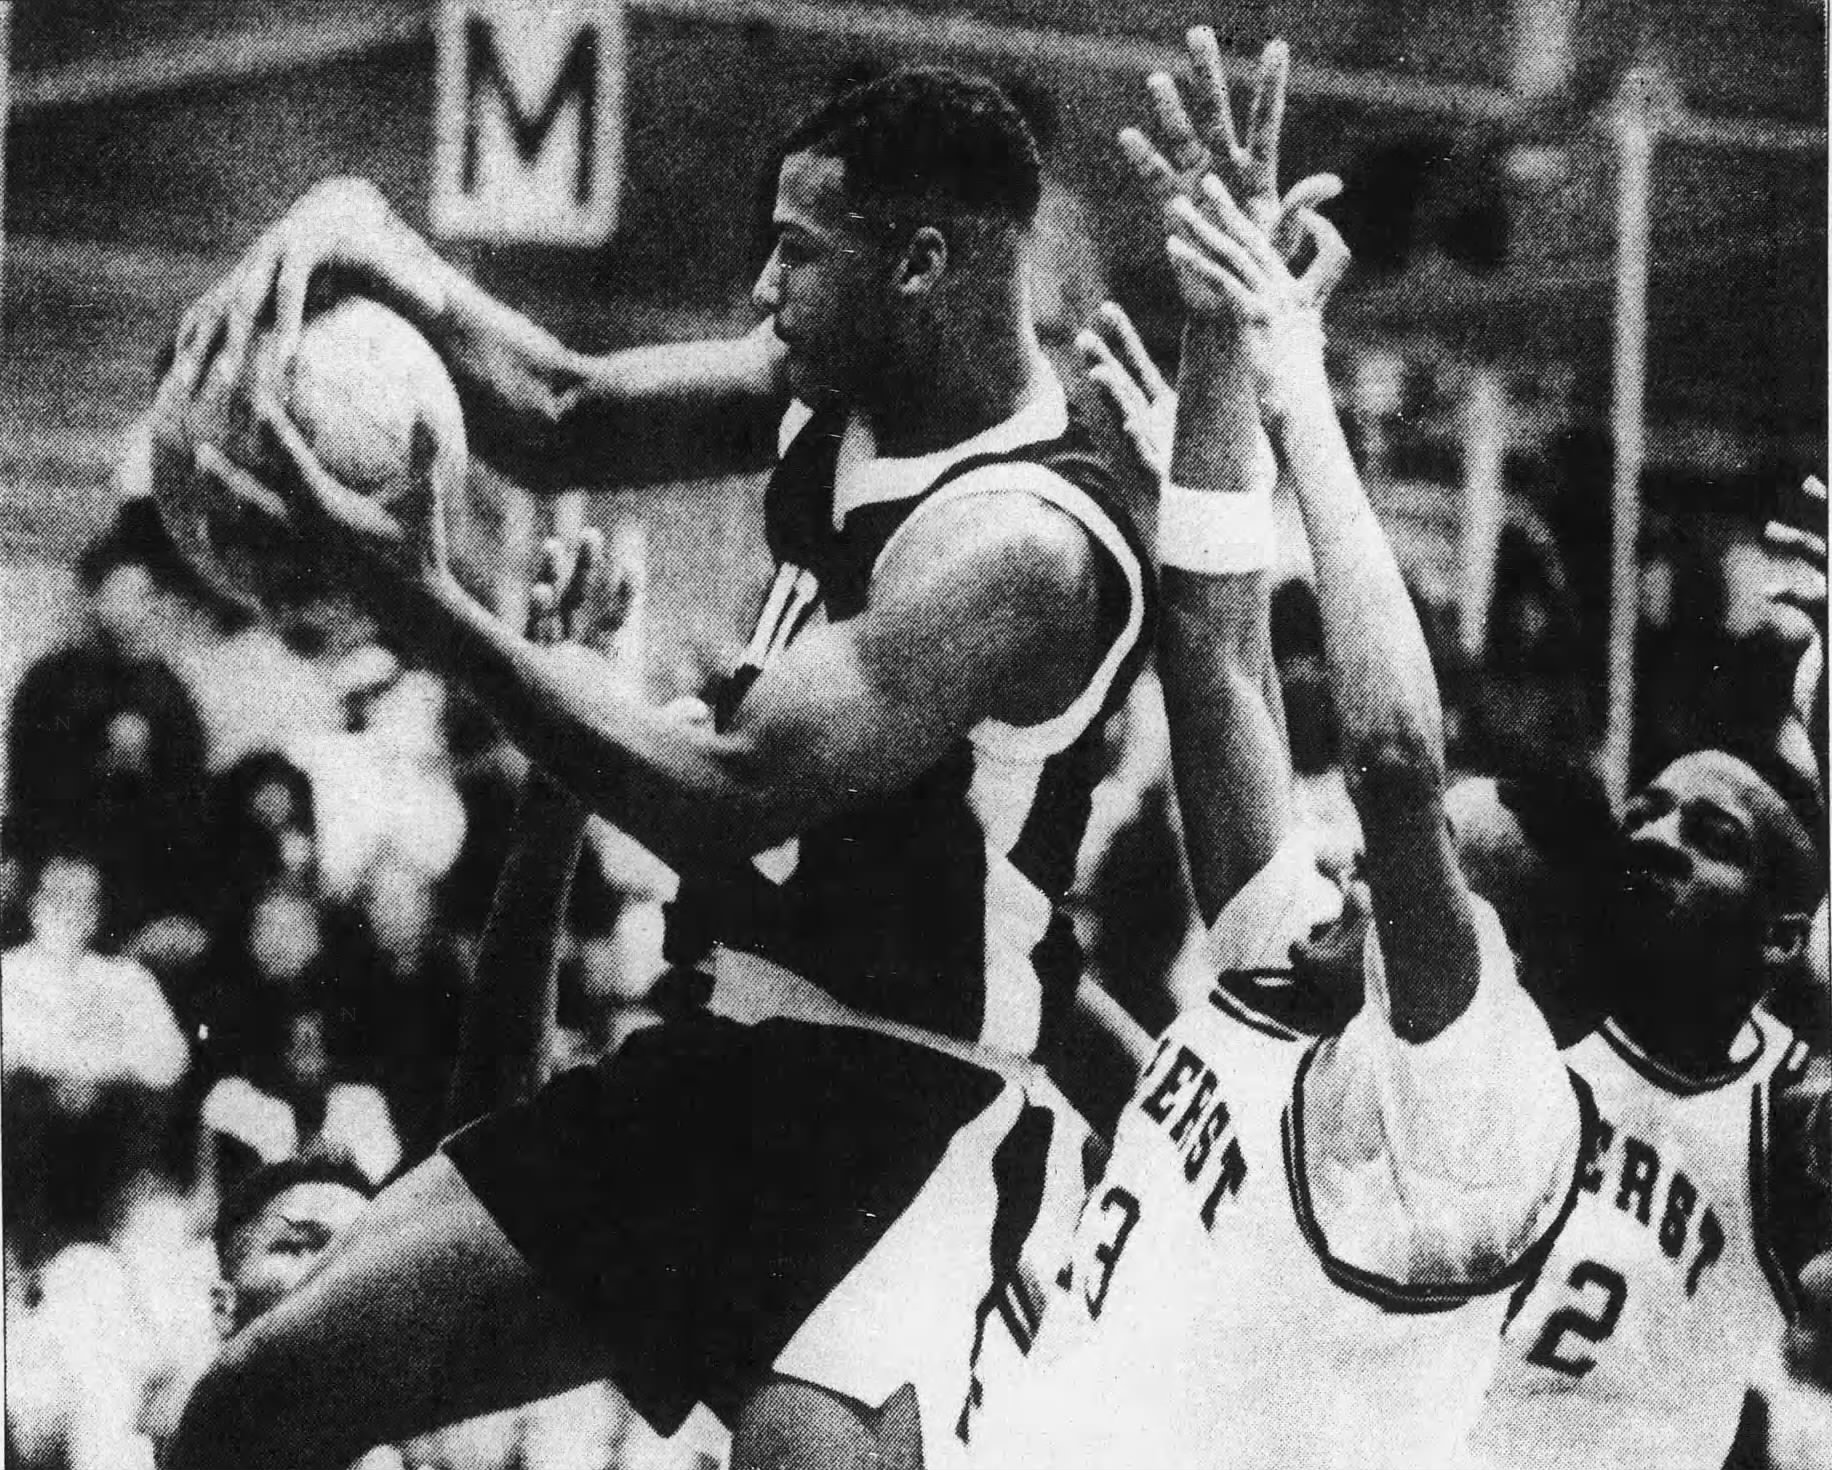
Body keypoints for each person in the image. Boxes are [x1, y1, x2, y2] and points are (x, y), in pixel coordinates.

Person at [167, 67, 1161, 1470]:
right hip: (715, 1060)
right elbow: (563, 410)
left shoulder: (1024, 547)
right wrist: (373, 240)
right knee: (247, 1411)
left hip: (907, 1119)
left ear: (922, 266)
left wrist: (423, 602)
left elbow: (724, 791)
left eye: (796, 252)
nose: (761, 288)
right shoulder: (838, 387)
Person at [942, 41, 1583, 1468]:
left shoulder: (1481, 1109)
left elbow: (1395, 764)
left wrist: (1299, 385)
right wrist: (1222, 333)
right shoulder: (1304, 958)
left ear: (1511, 973)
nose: (1361, 866)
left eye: (1429, 883)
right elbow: (1215, 648)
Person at [1467, 590, 1829, 1463]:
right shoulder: (1523, 999)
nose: (1658, 837)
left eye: (1712, 837)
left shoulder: (1785, 1111)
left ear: (1781, 937)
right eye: (1644, 813)